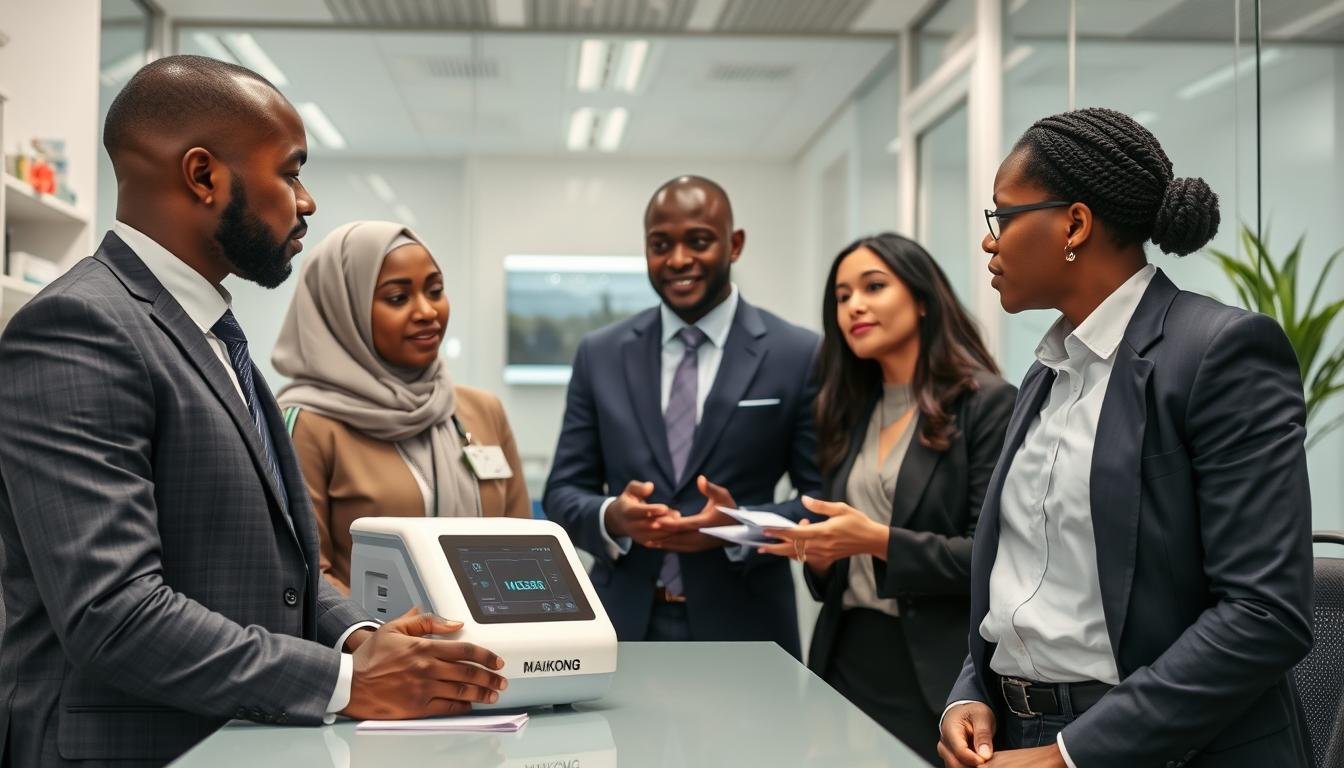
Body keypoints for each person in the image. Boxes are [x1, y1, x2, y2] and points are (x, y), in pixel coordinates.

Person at [0, 57, 506, 767]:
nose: (306, 202)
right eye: (291, 172)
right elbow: (113, 614)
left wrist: (361, 636)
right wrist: (347, 682)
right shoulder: (80, 329)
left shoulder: (210, 332)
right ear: (204, 177)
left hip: (228, 737)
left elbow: (275, 567)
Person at [939, 107, 1314, 768]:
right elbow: (1023, 580)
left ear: (1074, 224)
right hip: (1018, 737)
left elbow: (1265, 613)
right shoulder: (1047, 373)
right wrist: (971, 693)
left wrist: (1070, 755)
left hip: (1165, 750)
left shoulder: (1218, 352)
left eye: (1003, 216)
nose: (989, 242)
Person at [756, 233, 1014, 764]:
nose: (854, 306)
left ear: (922, 299)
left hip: (937, 669)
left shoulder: (985, 404)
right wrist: (822, 554)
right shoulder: (846, 410)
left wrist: (875, 541)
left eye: (873, 287)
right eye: (842, 296)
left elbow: (990, 560)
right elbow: (832, 563)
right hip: (845, 654)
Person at [543, 175, 822, 655]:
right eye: (660, 244)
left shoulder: (797, 353)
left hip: (748, 629)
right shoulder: (600, 354)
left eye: (698, 241)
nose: (677, 260)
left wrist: (736, 527)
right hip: (621, 625)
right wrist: (615, 516)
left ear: (734, 245)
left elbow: (822, 501)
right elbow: (562, 493)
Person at [273, 221, 531, 594]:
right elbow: (307, 575)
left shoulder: (482, 410)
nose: (427, 311)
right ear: (344, 310)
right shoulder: (307, 425)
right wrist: (391, 638)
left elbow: (524, 549)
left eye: (435, 291)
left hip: (493, 644)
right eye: (398, 297)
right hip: (376, 647)